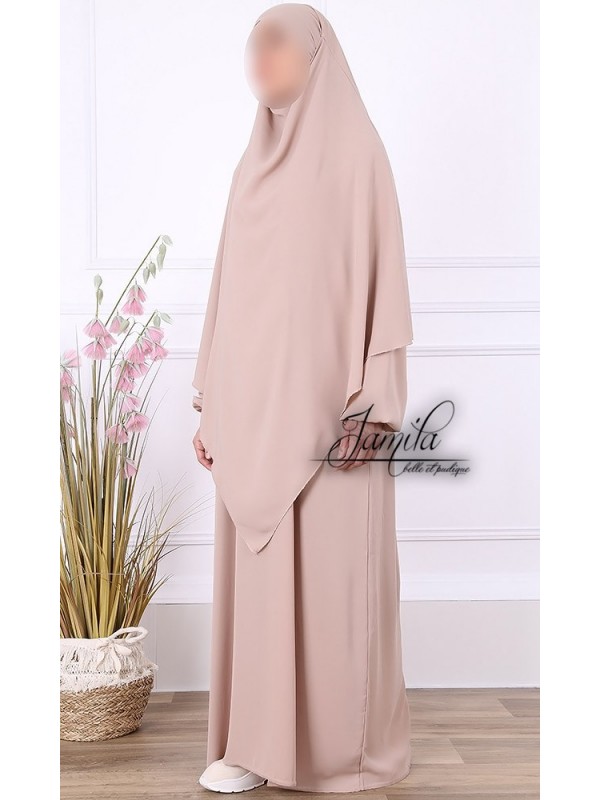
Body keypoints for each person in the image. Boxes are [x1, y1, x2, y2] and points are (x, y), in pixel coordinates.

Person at [192, 3, 414, 793]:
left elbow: (385, 294)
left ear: (318, 54)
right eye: (252, 43)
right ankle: (255, 748)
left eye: (276, 41)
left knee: (332, 586)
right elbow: (227, 294)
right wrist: (209, 402)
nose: (259, 56)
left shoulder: (357, 156)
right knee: (260, 584)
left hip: (333, 418)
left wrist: (374, 408)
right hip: (253, 417)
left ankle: (341, 753)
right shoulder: (249, 168)